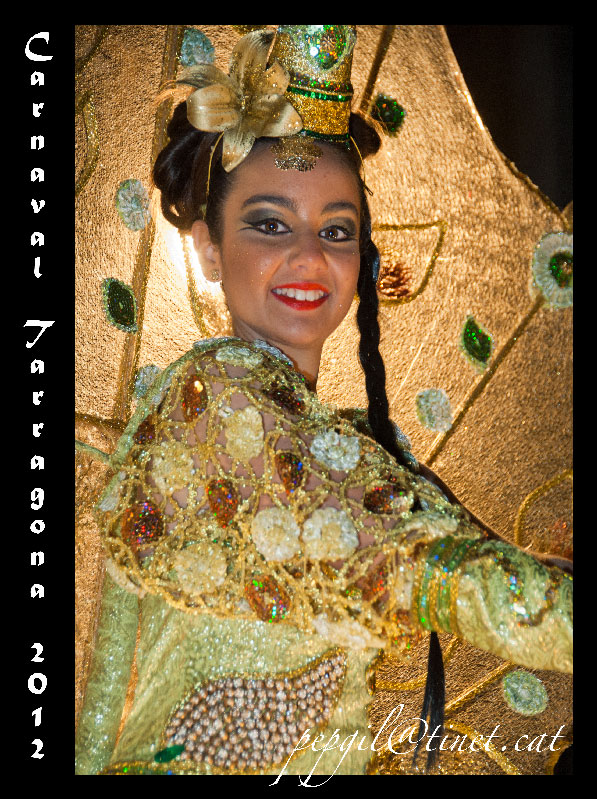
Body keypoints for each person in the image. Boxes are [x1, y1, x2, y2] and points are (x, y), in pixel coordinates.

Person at [74, 26, 572, 776]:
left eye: (336, 230)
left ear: (361, 258)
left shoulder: (350, 449)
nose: (308, 256)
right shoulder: (219, 396)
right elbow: (453, 576)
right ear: (208, 247)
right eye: (269, 223)